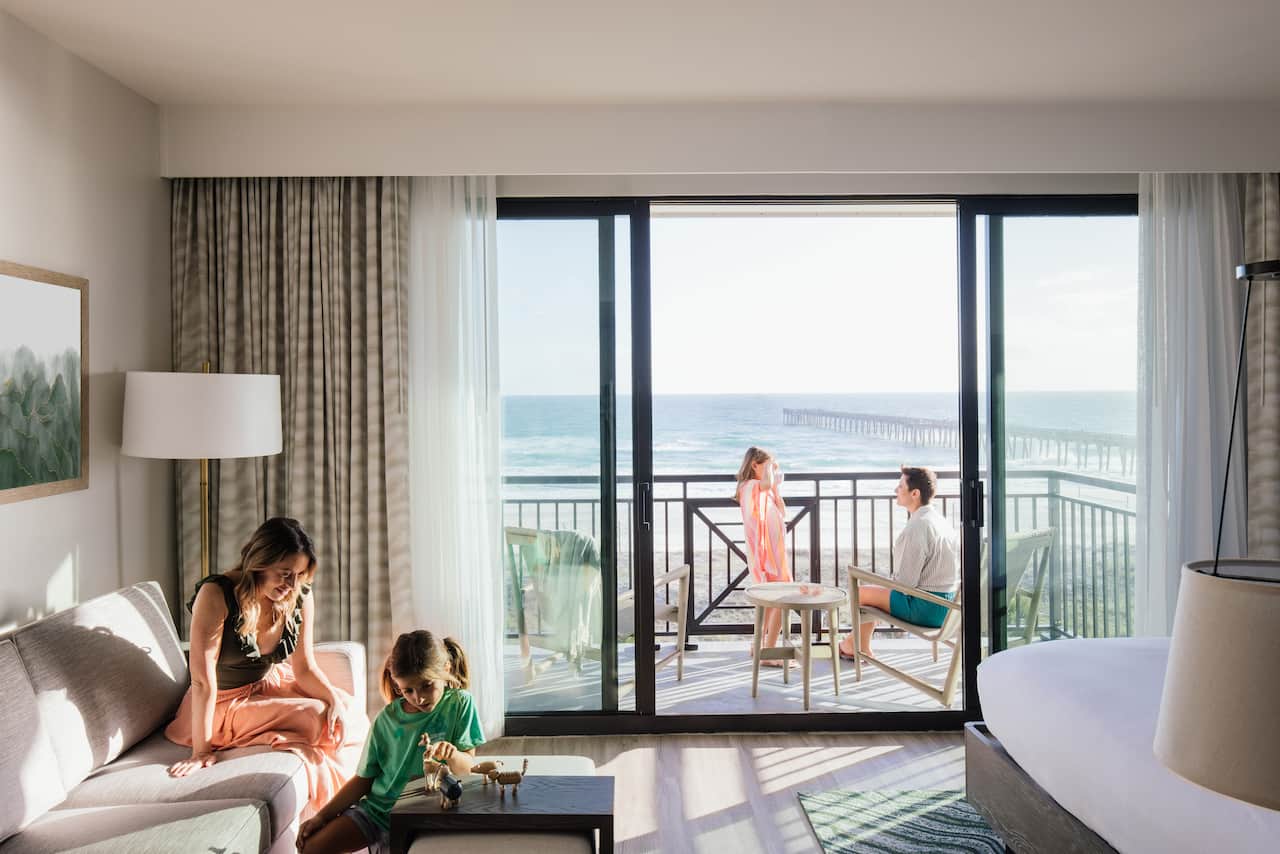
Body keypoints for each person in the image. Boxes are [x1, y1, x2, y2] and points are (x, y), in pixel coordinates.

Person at [164, 516, 367, 812]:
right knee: (316, 718)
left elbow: (304, 668)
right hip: (222, 702)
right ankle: (336, 812)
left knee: (349, 711)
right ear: (260, 562)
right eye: (284, 574)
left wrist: (334, 699)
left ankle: (358, 808)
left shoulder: (298, 594)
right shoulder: (217, 594)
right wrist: (201, 751)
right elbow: (203, 682)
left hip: (267, 686)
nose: (291, 584)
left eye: (299, 574)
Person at [296, 630, 485, 854]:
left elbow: (468, 769)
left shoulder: (460, 704)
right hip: (376, 813)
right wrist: (321, 817)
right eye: (408, 690)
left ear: (447, 669)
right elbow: (363, 779)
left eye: (427, 685)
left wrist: (452, 755)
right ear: (397, 685)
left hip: (425, 814)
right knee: (310, 847)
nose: (419, 698)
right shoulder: (386, 719)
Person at [839, 466, 959, 660]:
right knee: (875, 592)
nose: (896, 490)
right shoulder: (940, 521)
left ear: (915, 493)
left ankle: (855, 645)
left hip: (926, 609)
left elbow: (905, 585)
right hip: (949, 607)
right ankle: (855, 645)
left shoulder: (917, 527)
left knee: (861, 592)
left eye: (900, 486)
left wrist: (881, 586)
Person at [735, 446, 791, 657]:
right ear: (754, 465)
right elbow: (765, 484)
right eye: (768, 466)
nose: (772, 471)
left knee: (773, 601)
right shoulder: (750, 486)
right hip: (765, 555)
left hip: (775, 553)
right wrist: (769, 473)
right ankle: (770, 650)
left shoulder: (764, 491)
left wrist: (775, 485)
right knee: (780, 597)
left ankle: (760, 646)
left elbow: (782, 510)